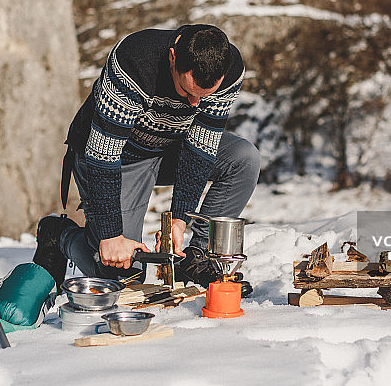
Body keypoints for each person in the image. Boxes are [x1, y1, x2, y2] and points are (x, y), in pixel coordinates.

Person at [33, 24, 260, 294]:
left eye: (204, 96)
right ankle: (60, 235)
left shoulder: (228, 67)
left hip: (170, 146)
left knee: (243, 158)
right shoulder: (135, 61)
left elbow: (200, 149)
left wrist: (179, 220)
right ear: (173, 57)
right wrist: (111, 235)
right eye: (187, 92)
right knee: (122, 273)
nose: (194, 104)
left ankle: (198, 257)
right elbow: (103, 157)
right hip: (115, 157)